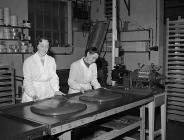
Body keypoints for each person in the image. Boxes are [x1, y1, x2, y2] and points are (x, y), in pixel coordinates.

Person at [21, 37, 64, 103]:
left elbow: (53, 77)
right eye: (42, 46)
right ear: (37, 46)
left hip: (48, 93)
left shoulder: (51, 60)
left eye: (47, 46)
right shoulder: (28, 61)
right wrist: (33, 94)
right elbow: (27, 80)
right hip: (33, 94)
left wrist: (56, 90)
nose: (44, 49)